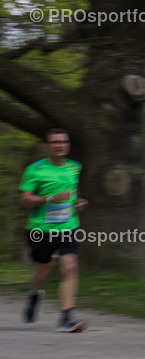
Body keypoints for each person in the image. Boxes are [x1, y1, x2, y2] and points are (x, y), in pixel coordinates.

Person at [19, 128, 88, 332]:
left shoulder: (75, 167)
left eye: (63, 142)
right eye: (55, 142)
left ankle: (66, 318)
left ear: (68, 144)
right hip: (40, 228)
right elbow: (25, 200)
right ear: (47, 146)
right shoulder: (35, 169)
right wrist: (51, 199)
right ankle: (34, 294)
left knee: (69, 267)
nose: (60, 145)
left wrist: (78, 203)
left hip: (68, 226)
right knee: (43, 270)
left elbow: (72, 196)